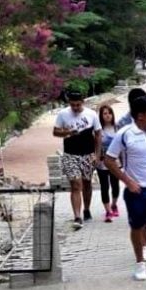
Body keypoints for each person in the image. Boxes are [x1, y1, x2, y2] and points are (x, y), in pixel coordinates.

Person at [105, 94, 146, 289]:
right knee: (137, 227)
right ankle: (140, 262)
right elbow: (109, 159)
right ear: (141, 116)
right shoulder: (125, 134)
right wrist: (127, 180)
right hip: (136, 190)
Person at [53, 90, 101, 229]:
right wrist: (68, 132)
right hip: (70, 154)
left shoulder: (91, 114)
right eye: (72, 105)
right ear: (69, 103)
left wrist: (97, 155)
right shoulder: (63, 114)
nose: (75, 108)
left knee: (86, 183)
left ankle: (86, 209)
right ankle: (77, 216)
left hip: (87, 153)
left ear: (82, 102)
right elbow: (56, 132)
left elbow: (98, 134)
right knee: (75, 184)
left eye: (78, 105)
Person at [95, 105, 120, 222]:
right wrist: (96, 158)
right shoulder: (98, 130)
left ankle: (114, 204)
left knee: (115, 185)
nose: (107, 115)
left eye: (109, 113)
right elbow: (96, 145)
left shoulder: (117, 128)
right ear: (101, 116)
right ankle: (108, 211)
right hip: (102, 161)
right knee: (104, 186)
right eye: (105, 113)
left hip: (115, 162)